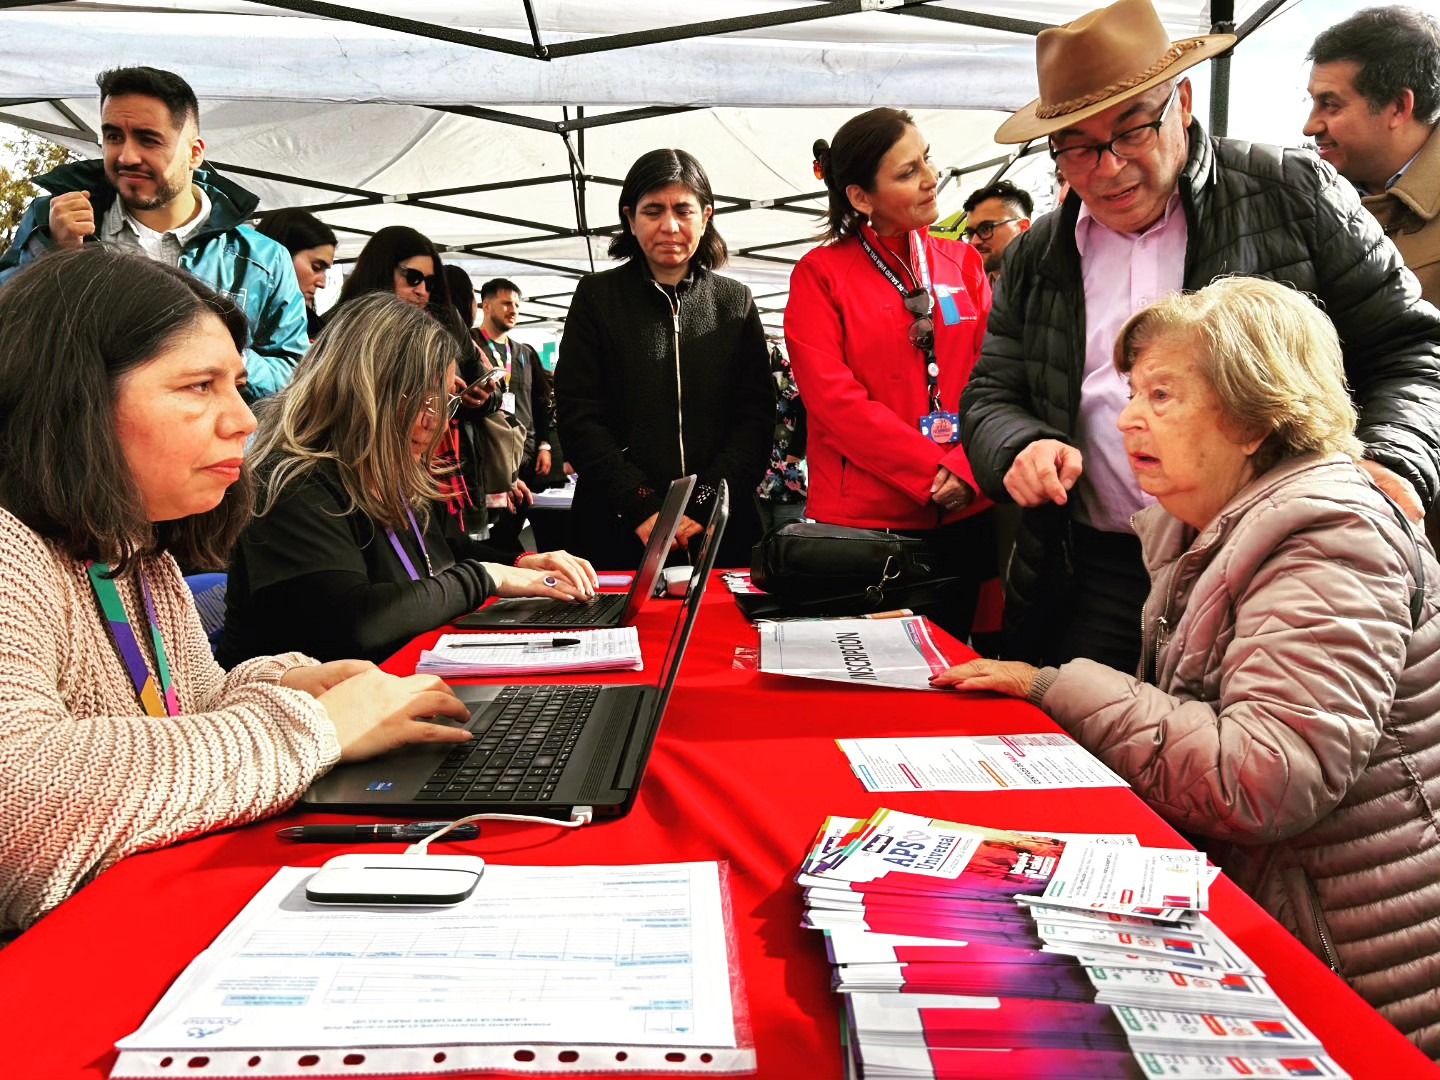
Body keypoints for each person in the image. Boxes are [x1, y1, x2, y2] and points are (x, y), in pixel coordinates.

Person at [936, 277, 1440, 1058]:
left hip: (1359, 977)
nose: (1126, 417)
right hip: (1299, 917)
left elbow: (1263, 777)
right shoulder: (1216, 523)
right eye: (1133, 392)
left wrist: (1056, 688)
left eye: (1162, 395)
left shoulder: (1328, 537)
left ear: (1254, 417)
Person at [0, 247, 480, 935]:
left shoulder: (136, 554)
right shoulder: (10, 551)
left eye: (238, 385)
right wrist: (317, 727)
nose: (245, 419)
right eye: (200, 386)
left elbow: (189, 707)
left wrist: (288, 682)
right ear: (73, 397)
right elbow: (19, 802)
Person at [960, 0, 1440, 671]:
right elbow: (991, 392)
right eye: (1077, 147)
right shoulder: (1039, 253)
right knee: (1078, 726)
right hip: (1094, 571)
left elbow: (1410, 349)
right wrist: (1019, 444)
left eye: (1132, 131)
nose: (1108, 168)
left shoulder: (1292, 193)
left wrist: (1395, 456)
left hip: (1273, 562)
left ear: (1181, 104)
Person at [219, 292, 597, 667]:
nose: (436, 422)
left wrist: (520, 563)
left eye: (444, 402)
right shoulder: (292, 482)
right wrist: (486, 577)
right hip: (319, 702)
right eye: (422, 400)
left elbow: (448, 552)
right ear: (365, 389)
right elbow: (355, 624)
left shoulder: (387, 471)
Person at [785, 109, 994, 635]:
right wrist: (933, 471)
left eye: (927, 160)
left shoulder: (963, 263)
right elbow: (833, 400)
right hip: (867, 526)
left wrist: (968, 467)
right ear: (861, 197)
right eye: (908, 172)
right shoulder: (820, 274)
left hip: (967, 511)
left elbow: (993, 376)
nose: (931, 178)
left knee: (960, 667)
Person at [0, 66, 310, 401]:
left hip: (209, 433)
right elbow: (9, 332)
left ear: (194, 153)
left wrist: (224, 352)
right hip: (82, 430)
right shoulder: (52, 222)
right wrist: (56, 254)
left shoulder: (263, 260)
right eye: (113, 137)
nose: (127, 156)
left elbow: (294, 375)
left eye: (148, 139)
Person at [555, 148, 772, 570]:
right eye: (653, 211)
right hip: (615, 525)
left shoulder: (734, 302)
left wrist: (706, 503)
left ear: (705, 217)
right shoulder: (597, 298)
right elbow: (579, 415)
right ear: (630, 218)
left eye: (683, 211)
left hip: (720, 530)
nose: (669, 226)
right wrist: (640, 505)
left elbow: (755, 418)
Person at [334, 227, 500, 538]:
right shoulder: (343, 329)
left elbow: (488, 388)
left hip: (437, 467)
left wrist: (475, 396)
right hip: (364, 471)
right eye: (413, 278)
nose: (422, 290)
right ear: (381, 270)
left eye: (430, 282)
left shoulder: (446, 320)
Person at [1307, 6, 1440, 306]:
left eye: (1330, 105)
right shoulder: (1311, 201)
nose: (1310, 126)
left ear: (1398, 107)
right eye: (1312, 102)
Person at [469, 277, 562, 549]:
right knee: (493, 537)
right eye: (506, 303)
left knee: (514, 529)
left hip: (526, 457)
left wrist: (544, 445)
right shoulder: (470, 345)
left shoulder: (524, 352)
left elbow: (541, 402)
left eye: (517, 306)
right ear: (486, 306)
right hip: (490, 459)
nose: (513, 310)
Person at [254, 208, 337, 341]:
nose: (322, 283)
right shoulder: (228, 315)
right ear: (281, 256)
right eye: (316, 267)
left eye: (325, 270)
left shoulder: (317, 332)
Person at [755, 341, 809, 534]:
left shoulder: (775, 357)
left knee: (789, 541)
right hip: (758, 477)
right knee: (760, 542)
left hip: (786, 472)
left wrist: (797, 452)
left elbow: (804, 404)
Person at [961, 179, 1033, 280]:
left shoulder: (1050, 282)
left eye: (986, 228)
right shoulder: (970, 285)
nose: (974, 242)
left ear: (1023, 227)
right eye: (970, 233)